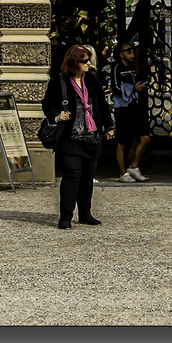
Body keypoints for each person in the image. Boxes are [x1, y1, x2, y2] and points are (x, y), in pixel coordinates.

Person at [42, 44, 113, 229]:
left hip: (91, 137)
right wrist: (57, 115)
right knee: (72, 176)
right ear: (74, 62)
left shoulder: (91, 78)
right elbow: (47, 105)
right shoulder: (60, 81)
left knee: (87, 177)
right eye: (84, 61)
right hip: (70, 139)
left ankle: (85, 214)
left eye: (88, 60)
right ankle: (65, 217)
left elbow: (102, 104)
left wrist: (109, 126)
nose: (88, 63)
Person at [111, 42, 152, 182]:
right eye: (128, 51)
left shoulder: (132, 69)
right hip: (122, 109)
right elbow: (115, 88)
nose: (132, 54)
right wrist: (133, 88)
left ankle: (133, 166)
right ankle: (123, 172)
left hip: (134, 107)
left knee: (145, 137)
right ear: (121, 53)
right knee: (121, 141)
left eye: (133, 51)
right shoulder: (116, 68)